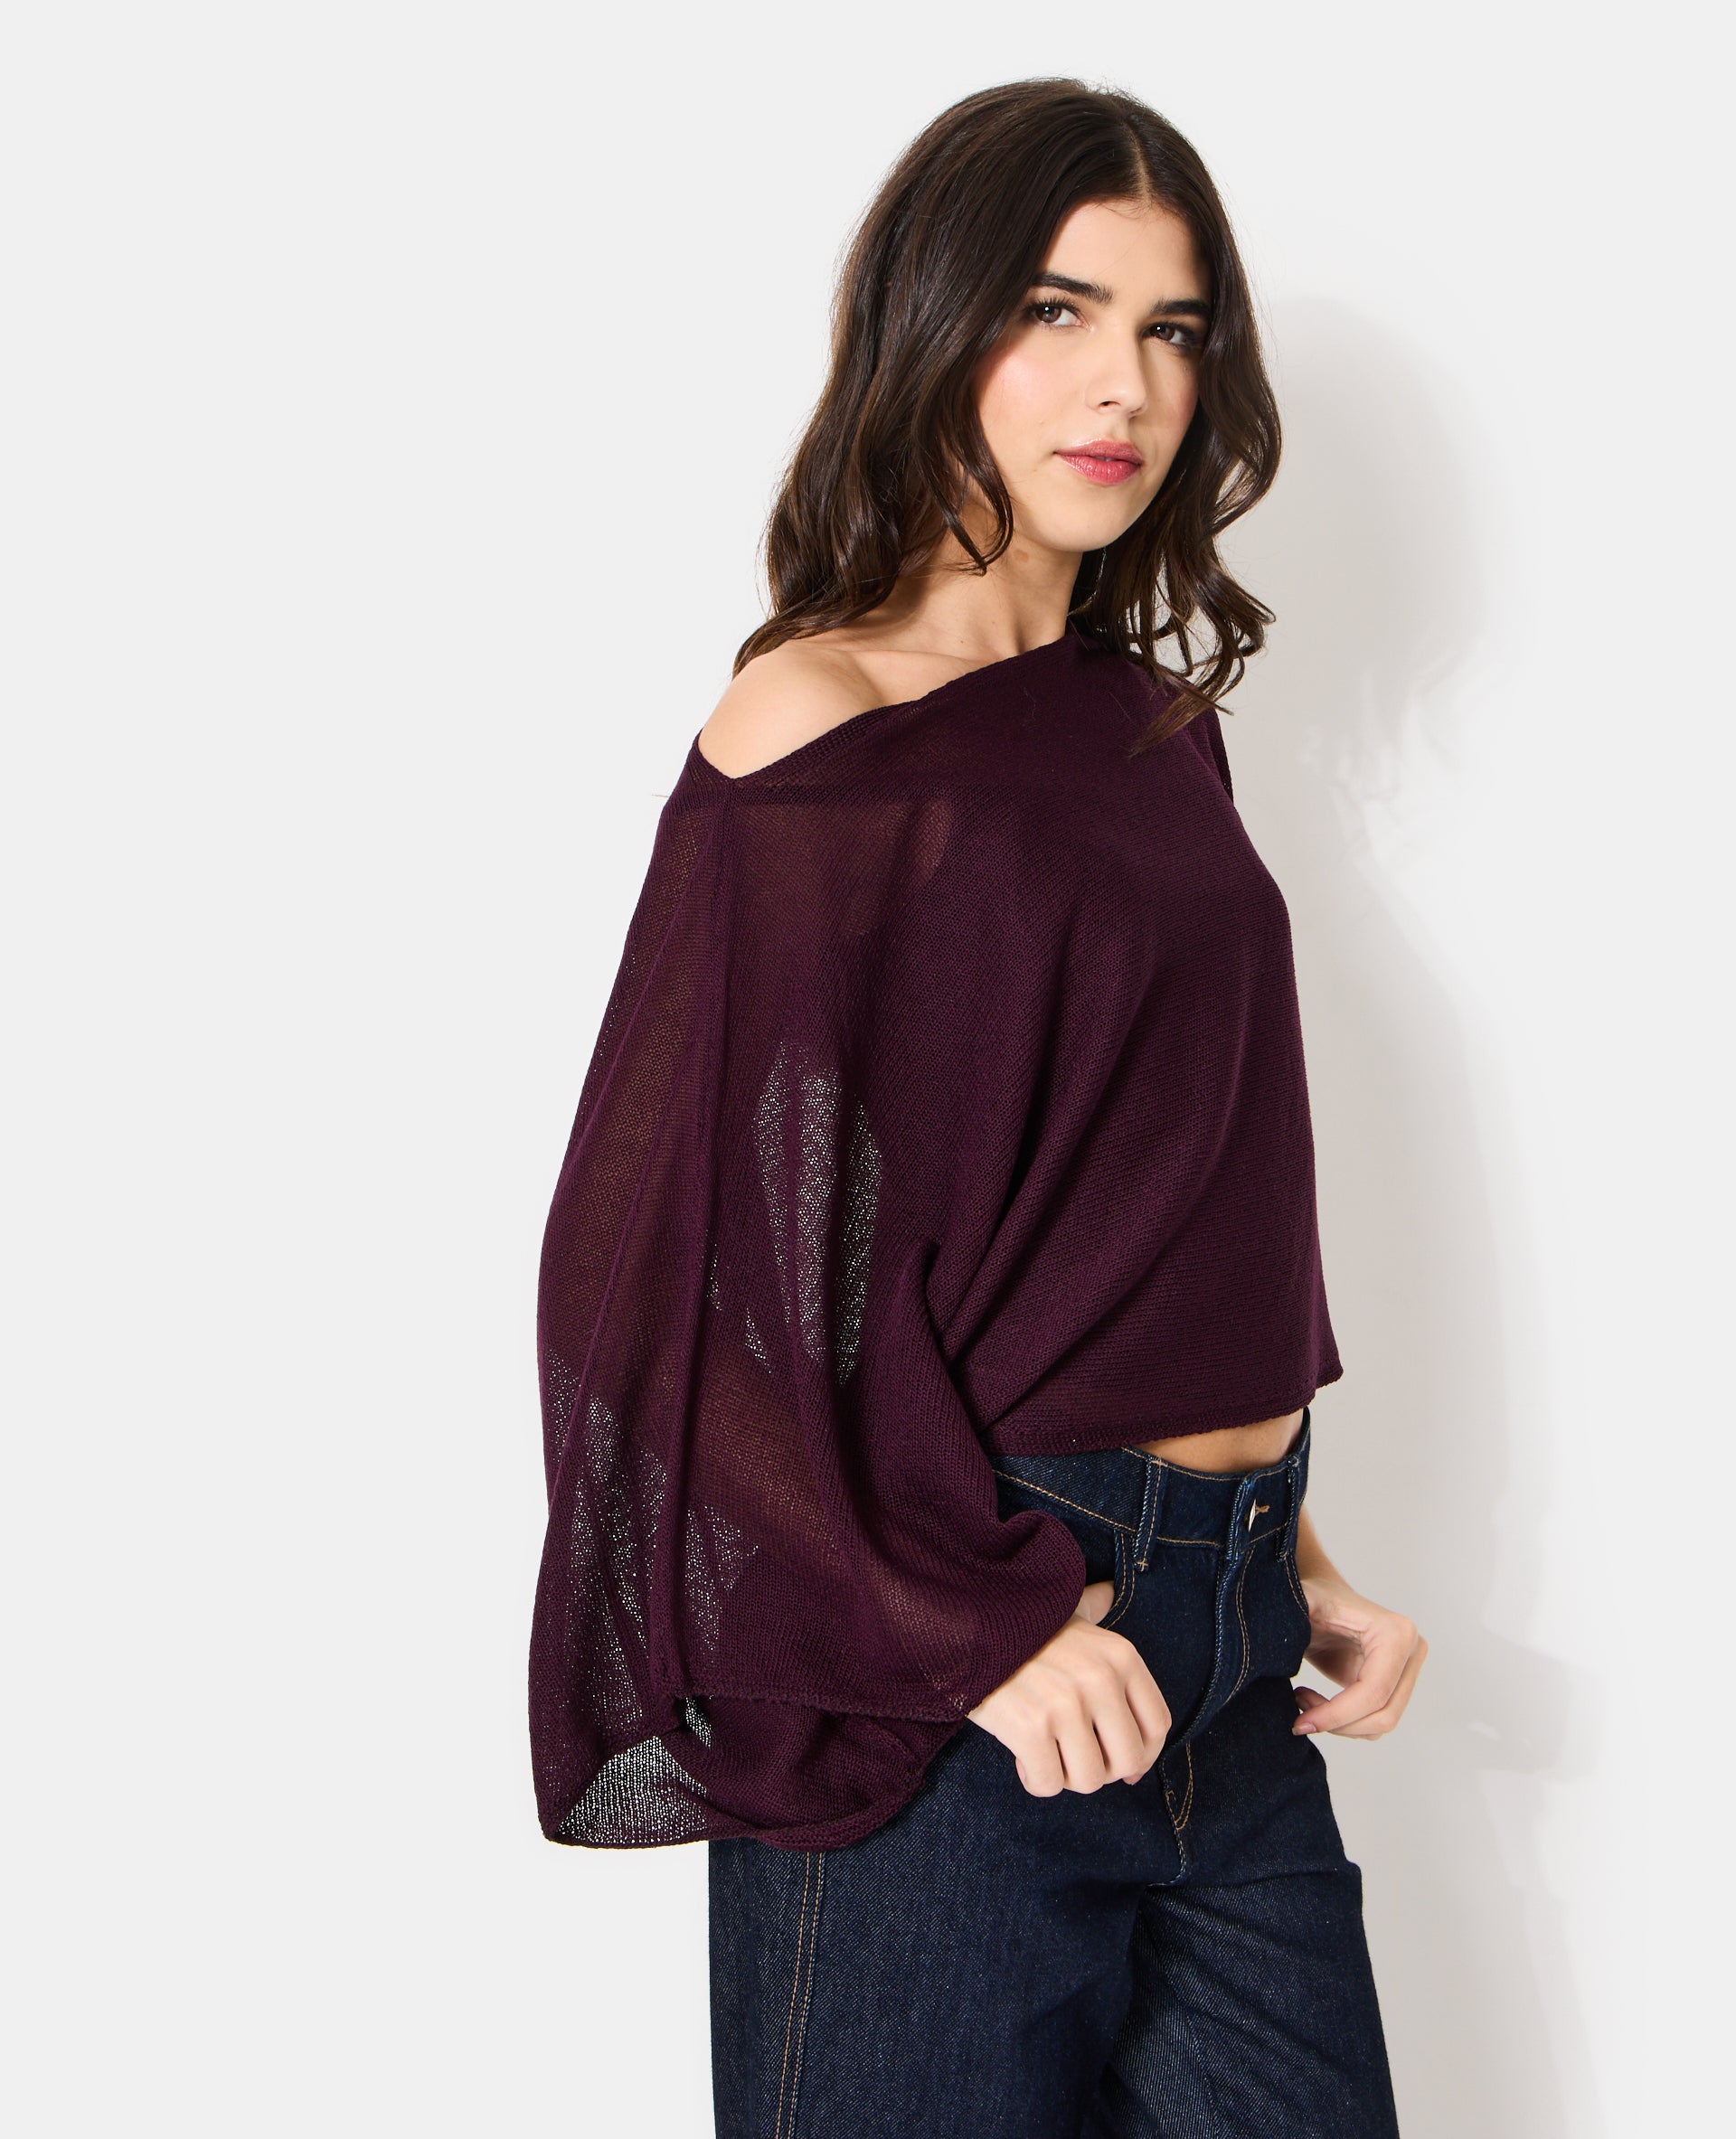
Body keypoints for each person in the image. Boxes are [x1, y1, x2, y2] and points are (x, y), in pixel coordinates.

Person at [529, 77, 1427, 2138]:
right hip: (969, 1652)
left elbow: (1136, 1205)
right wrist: (973, 1637)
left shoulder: (1153, 725)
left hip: (1227, 1649)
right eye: (1058, 309)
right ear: (935, 323)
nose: (1127, 386)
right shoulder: (817, 726)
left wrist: (1290, 1553)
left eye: (1173, 329)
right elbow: (668, 1296)